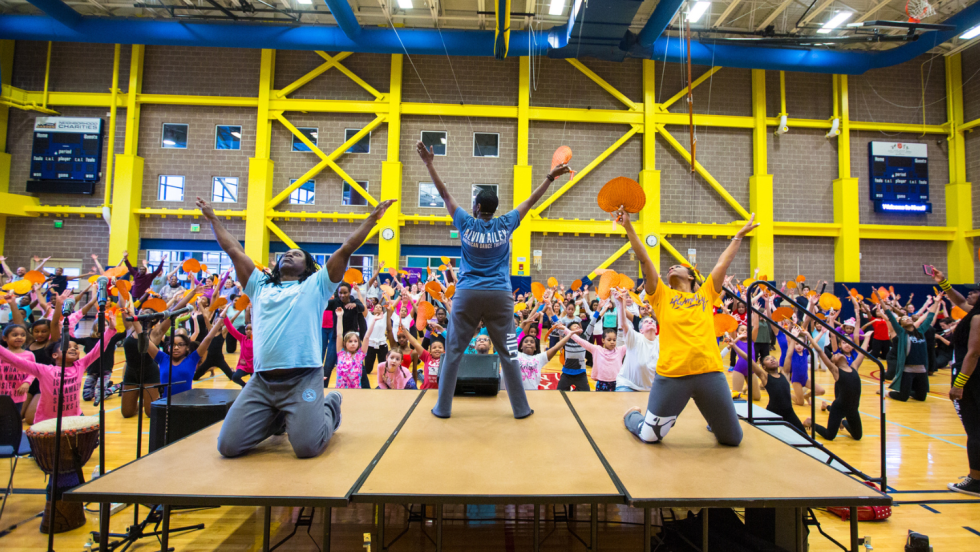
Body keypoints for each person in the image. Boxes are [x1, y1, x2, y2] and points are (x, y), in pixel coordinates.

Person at [202, 196, 396, 459]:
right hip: (262, 381)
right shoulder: (259, 285)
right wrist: (213, 218)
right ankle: (281, 417)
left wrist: (373, 219)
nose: (288, 255)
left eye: (296, 255)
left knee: (307, 448)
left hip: (302, 377)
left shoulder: (316, 284)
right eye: (285, 254)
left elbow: (347, 248)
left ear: (307, 266)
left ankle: (330, 407)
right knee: (228, 446)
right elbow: (234, 250)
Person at [416, 140, 569, 419]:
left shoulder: (465, 222)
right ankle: (521, 409)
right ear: (495, 209)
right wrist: (550, 177)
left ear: (476, 206)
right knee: (510, 352)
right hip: (500, 297)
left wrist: (429, 163)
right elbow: (531, 201)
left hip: (467, 296)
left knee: (453, 352)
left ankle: (443, 407)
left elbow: (443, 193)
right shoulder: (506, 223)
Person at [621, 208, 758, 446]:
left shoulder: (706, 294)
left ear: (692, 276)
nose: (671, 268)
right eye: (670, 267)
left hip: (710, 374)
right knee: (649, 437)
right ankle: (633, 416)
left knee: (733, 439)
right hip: (672, 376)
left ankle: (716, 419)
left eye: (678, 266)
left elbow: (723, 263)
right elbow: (644, 259)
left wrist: (739, 236)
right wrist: (628, 227)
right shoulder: (661, 295)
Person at [0, 312, 117, 423]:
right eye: (67, 346)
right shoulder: (44, 370)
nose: (73, 349)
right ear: (55, 355)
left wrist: (110, 330)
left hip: (74, 417)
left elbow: (98, 350)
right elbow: (15, 360)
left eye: (76, 348)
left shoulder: (80, 365)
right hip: (47, 420)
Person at [930, 268, 980, 496]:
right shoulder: (975, 312)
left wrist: (959, 383)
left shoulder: (978, 318)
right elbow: (959, 301)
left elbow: (973, 353)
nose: (969, 295)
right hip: (972, 376)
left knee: (974, 430)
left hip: (972, 379)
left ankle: (976, 480)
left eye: (974, 293)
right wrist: (943, 283)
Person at [726, 333, 805, 434]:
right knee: (773, 436)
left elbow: (789, 355)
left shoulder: (785, 373)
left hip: (789, 412)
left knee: (803, 434)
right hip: (773, 412)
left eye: (773, 358)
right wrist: (734, 346)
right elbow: (748, 359)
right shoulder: (765, 376)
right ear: (764, 367)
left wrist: (793, 338)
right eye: (767, 359)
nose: (771, 360)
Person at [803, 330, 872, 441]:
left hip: (853, 409)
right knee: (830, 436)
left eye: (839, 354)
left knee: (857, 437)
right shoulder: (836, 371)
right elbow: (820, 351)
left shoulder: (854, 366)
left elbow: (862, 352)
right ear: (833, 361)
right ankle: (811, 423)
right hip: (838, 408)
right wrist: (808, 336)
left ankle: (843, 422)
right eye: (835, 355)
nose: (838, 354)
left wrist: (867, 337)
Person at [333, 307, 376, 389]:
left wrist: (374, 320)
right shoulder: (341, 353)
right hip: (341, 389)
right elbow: (339, 334)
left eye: (355, 341)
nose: (353, 344)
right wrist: (339, 316)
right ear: (344, 343)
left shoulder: (361, 354)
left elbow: (366, 337)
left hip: (356, 390)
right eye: (350, 341)